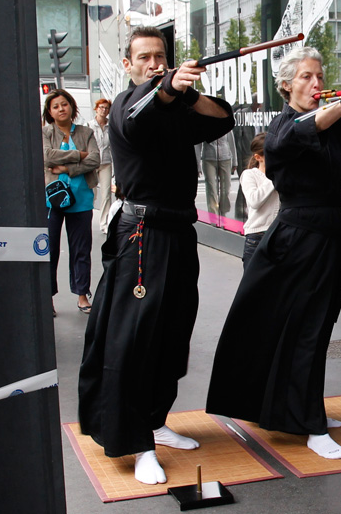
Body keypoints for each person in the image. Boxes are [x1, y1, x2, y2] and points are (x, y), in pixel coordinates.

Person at [206, 47, 341, 460]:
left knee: (318, 329)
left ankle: (304, 408)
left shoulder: (330, 124)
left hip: (330, 235)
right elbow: (310, 125)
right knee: (303, 331)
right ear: (286, 85)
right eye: (306, 77)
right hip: (299, 240)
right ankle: (309, 423)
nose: (316, 84)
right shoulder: (281, 128)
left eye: (320, 76)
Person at [78, 26, 235, 485]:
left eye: (160, 56)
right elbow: (140, 112)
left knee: (173, 333)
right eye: (144, 57)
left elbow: (222, 119)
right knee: (135, 339)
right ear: (128, 65)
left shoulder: (177, 105)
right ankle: (135, 442)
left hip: (180, 231)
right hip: (141, 235)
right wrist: (166, 86)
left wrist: (186, 92)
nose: (154, 63)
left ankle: (155, 420)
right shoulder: (127, 104)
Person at [42, 89, 100, 315]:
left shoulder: (86, 132)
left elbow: (95, 158)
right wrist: (79, 155)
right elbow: (47, 156)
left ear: (72, 106)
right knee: (49, 250)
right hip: (51, 200)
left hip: (81, 199)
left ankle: (82, 295)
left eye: (64, 104)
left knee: (81, 250)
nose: (61, 109)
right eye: (55, 106)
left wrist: (66, 168)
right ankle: (47, 298)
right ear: (50, 112)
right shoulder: (45, 132)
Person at [239, 132, 277, 268]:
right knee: (253, 281)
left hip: (279, 236)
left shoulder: (281, 174)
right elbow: (254, 201)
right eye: (271, 154)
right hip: (257, 237)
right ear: (258, 157)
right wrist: (273, 176)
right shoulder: (249, 175)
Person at [88, 98, 115, 234]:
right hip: (92, 164)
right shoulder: (89, 125)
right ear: (96, 109)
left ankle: (104, 223)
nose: (103, 110)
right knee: (91, 194)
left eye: (106, 108)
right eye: (101, 107)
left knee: (106, 194)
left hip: (106, 162)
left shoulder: (111, 126)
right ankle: (86, 220)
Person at [195, 130, 236, 219]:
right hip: (208, 158)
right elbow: (197, 145)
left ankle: (223, 211)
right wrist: (198, 165)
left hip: (225, 158)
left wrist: (234, 161)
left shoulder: (224, 124)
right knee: (211, 188)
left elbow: (231, 141)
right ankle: (213, 215)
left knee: (226, 188)